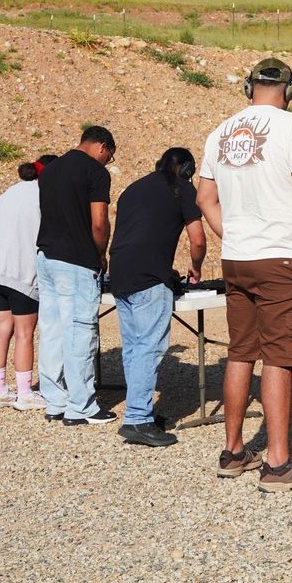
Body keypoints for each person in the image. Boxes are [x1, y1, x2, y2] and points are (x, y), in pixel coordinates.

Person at [197, 57, 292, 492]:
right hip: (282, 258)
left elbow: (204, 198)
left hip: (238, 258)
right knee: (278, 356)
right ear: (289, 90)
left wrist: (232, 233)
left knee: (241, 351)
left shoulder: (220, 132)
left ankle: (234, 451)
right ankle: (277, 464)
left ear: (249, 87)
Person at [108, 148, 207, 447]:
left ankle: (140, 412)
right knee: (149, 347)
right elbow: (198, 238)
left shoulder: (133, 188)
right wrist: (196, 268)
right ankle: (137, 419)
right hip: (149, 277)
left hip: (121, 273)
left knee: (134, 347)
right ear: (187, 169)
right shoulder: (183, 189)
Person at [36, 125, 118, 426]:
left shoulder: (51, 169)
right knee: (80, 332)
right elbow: (99, 222)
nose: (108, 160)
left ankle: (55, 400)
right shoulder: (95, 172)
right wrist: (100, 254)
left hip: (46, 256)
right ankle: (81, 405)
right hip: (76, 260)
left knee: (52, 330)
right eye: (110, 155)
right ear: (101, 146)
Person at [0, 154, 58, 410]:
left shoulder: (8, 194)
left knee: (1, 332)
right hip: (20, 272)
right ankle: (25, 393)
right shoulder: (43, 196)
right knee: (24, 333)